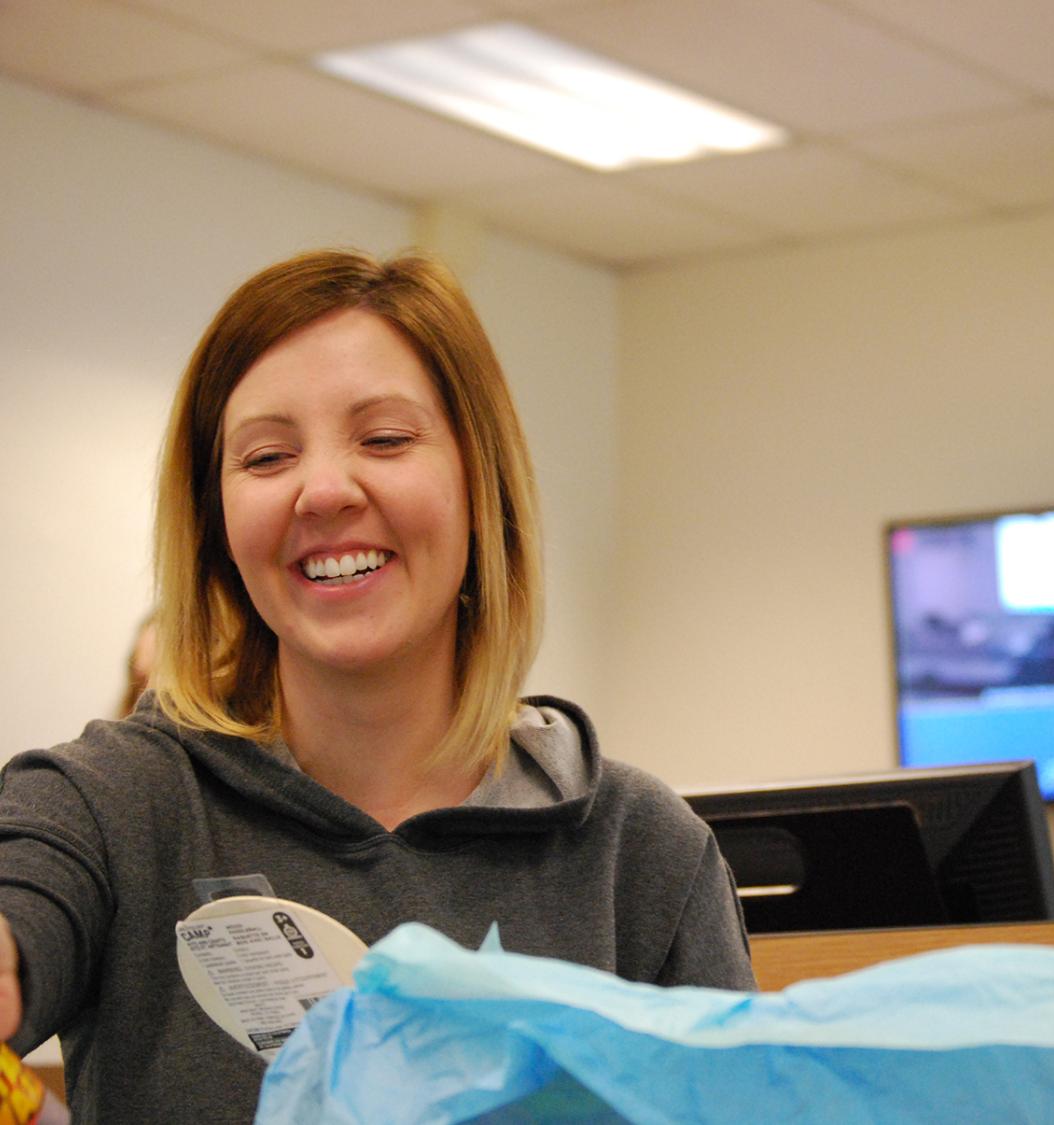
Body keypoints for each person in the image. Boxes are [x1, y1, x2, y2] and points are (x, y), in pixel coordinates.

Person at [0, 250, 754, 1121]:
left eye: (386, 439)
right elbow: (26, 894)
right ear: (215, 525)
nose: (323, 490)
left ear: (482, 485)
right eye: (267, 455)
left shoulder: (641, 854)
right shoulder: (113, 804)